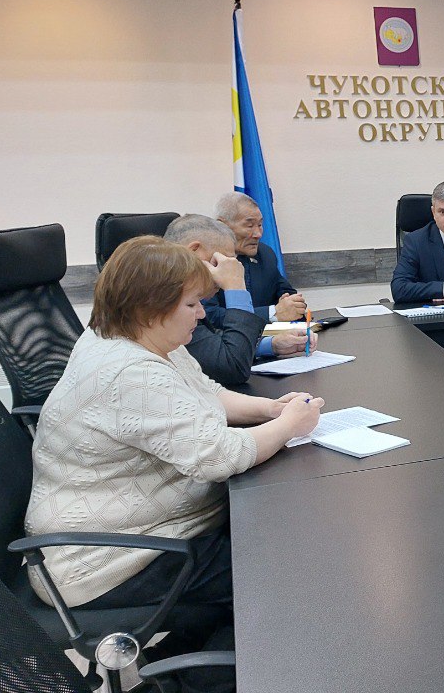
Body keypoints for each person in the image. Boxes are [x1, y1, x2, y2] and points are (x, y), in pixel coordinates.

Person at [24, 236, 324, 689]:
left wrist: (270, 410)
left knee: (273, 551)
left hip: (140, 533)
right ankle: (183, 684)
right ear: (150, 309)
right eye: (191, 304)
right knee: (284, 575)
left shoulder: (133, 337)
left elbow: (205, 393)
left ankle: (170, 671)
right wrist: (288, 427)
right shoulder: (130, 372)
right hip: (106, 560)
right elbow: (219, 455)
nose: (202, 314)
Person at [164, 215, 317, 387]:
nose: (232, 269)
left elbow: (212, 342)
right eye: (225, 261)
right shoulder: (166, 302)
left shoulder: (182, 296)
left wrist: (271, 345)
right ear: (194, 252)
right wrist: (236, 286)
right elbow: (232, 367)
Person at [204, 191, 306, 326]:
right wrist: (272, 313)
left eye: (260, 225)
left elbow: (289, 295)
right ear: (223, 225)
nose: (258, 234)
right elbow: (209, 316)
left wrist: (293, 305)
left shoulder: (265, 254)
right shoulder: (206, 261)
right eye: (250, 225)